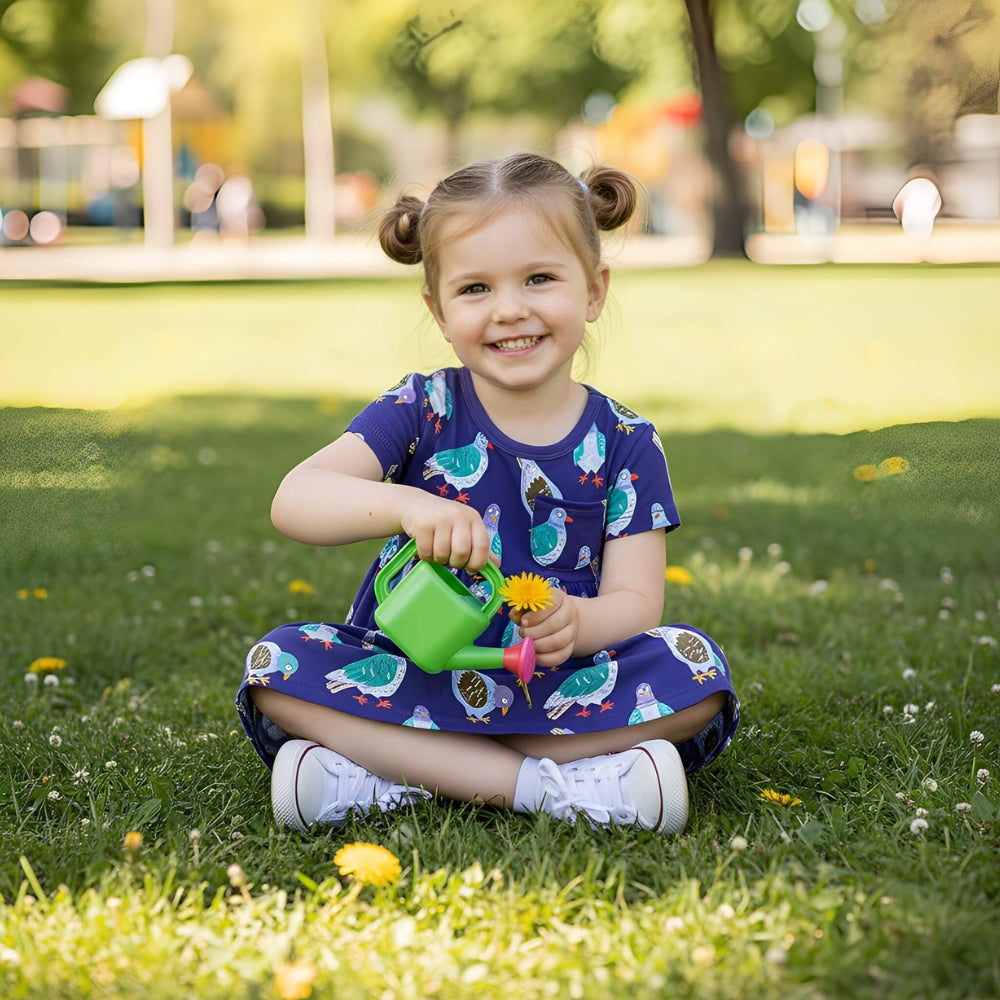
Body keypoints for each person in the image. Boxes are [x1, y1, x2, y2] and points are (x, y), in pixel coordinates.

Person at [235, 152, 739, 835]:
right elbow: (296, 498)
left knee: (697, 671)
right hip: (416, 674)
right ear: (438, 311)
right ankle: (560, 789)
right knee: (275, 667)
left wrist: (580, 624)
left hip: (558, 685)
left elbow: (637, 601)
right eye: (475, 289)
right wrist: (409, 505)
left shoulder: (627, 439)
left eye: (539, 278)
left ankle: (390, 770)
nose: (510, 310)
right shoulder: (420, 407)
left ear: (593, 291)